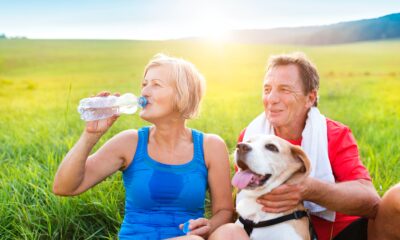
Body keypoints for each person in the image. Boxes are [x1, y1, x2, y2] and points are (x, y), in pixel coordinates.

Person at [209, 52, 400, 240]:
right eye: (267, 89)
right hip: (265, 231)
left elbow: (371, 202)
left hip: (340, 234)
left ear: (310, 98)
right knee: (227, 233)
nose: (272, 99)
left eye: (284, 89)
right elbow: (240, 202)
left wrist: (310, 189)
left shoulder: (333, 134)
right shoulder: (250, 138)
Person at [53, 54, 234, 239]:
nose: (145, 92)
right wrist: (90, 135)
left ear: (183, 94)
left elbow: (225, 210)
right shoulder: (129, 143)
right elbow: (64, 187)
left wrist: (209, 226)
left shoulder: (210, 146)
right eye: (144, 84)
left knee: (231, 232)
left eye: (156, 84)